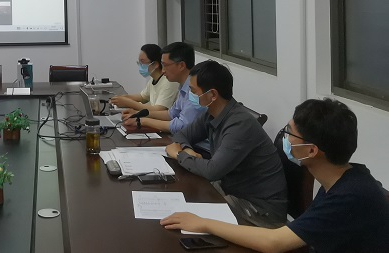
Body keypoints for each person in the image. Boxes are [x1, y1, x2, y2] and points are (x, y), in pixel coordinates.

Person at [162, 98, 389, 252]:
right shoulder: (347, 178)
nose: (285, 138)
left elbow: (274, 242)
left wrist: (204, 224)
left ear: (312, 151)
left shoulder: (350, 195)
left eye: (290, 133)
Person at [165, 60, 287, 227]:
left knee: (190, 215)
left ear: (212, 95)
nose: (191, 95)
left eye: (193, 91)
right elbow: (181, 135)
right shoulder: (211, 113)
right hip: (233, 191)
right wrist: (187, 150)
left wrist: (180, 154)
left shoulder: (239, 124)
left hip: (259, 210)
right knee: (184, 202)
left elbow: (212, 171)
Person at [122, 42, 205, 133]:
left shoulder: (195, 90)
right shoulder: (183, 87)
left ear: (181, 65)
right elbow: (171, 114)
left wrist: (142, 121)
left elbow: (180, 126)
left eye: (165, 65)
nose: (163, 70)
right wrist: (138, 114)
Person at [111, 44, 179, 112]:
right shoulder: (153, 80)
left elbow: (158, 110)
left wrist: (129, 103)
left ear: (155, 64)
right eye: (139, 62)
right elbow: (143, 97)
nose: (140, 65)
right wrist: (121, 98)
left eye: (142, 62)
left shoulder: (169, 82)